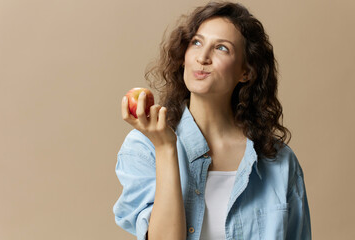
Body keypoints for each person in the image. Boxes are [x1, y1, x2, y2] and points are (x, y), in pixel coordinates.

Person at [113, 1, 311, 240]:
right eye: (196, 42)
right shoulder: (145, 147)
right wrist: (166, 148)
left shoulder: (279, 161)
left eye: (222, 48)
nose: (203, 57)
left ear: (246, 72)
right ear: (183, 56)